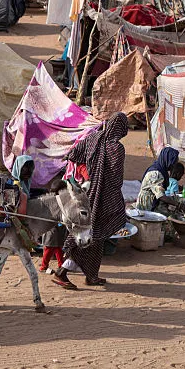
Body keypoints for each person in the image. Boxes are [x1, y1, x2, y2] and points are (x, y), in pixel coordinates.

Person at [54, 113, 129, 290]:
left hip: (86, 192)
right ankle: (62, 272)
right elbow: (116, 179)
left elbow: (73, 154)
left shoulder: (93, 139)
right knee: (92, 235)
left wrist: (86, 174)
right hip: (103, 197)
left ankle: (92, 275)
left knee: (97, 235)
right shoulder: (116, 148)